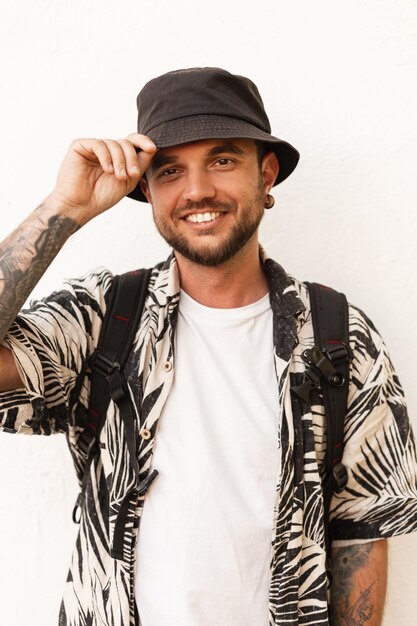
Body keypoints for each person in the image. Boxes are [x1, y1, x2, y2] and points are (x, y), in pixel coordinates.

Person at [0, 67, 416, 626]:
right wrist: (64, 208)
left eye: (222, 160)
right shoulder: (104, 318)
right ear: (145, 189)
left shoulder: (340, 334)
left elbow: (362, 534)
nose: (197, 190)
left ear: (266, 174)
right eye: (170, 170)